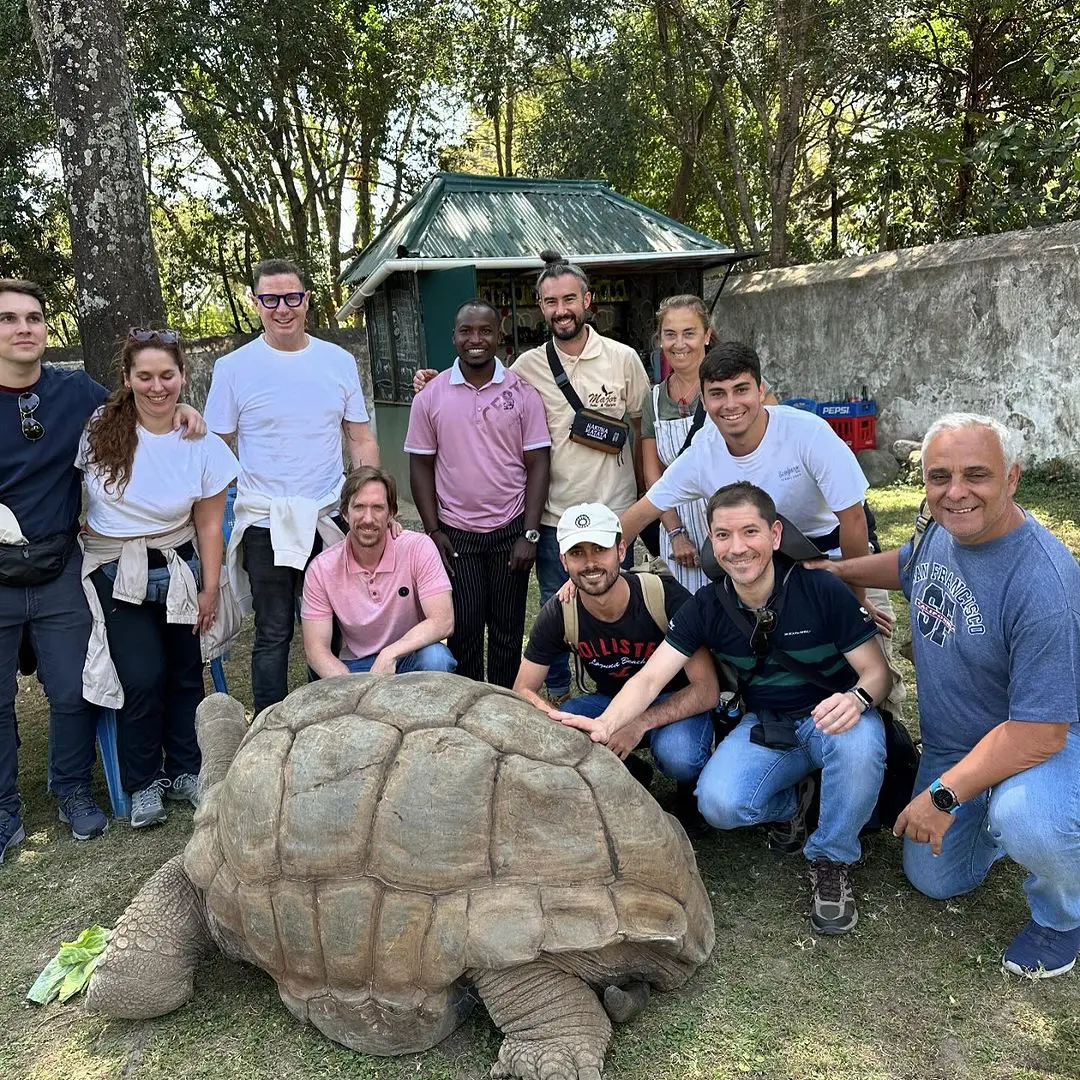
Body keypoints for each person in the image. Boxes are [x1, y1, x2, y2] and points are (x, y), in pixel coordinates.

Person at [821, 413, 1080, 976]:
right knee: (936, 879)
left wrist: (942, 797)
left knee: (1032, 818)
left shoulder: (1044, 584)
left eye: (977, 475)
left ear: (1011, 479)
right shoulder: (943, 526)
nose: (956, 491)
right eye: (940, 476)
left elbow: (1041, 733)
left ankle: (1062, 915)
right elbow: (910, 567)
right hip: (957, 741)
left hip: (1045, 738)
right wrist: (832, 573)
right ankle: (997, 810)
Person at [570, 483, 890, 935]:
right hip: (767, 725)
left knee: (859, 746)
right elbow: (649, 678)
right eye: (723, 535)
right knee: (718, 805)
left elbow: (877, 673)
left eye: (750, 532)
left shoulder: (820, 589)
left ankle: (830, 859)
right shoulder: (708, 604)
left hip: (834, 719)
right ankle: (793, 805)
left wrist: (856, 700)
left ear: (775, 535)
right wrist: (606, 725)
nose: (737, 548)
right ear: (710, 539)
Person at [0, 279, 205, 857]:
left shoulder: (72, 393)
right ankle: (3, 810)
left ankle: (70, 791)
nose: (23, 329)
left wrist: (182, 407)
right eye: (9, 319)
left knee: (72, 693)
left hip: (61, 563)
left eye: (33, 318)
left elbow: (138, 405)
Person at [415, 252, 651, 704]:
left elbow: (641, 432)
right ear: (540, 308)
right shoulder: (526, 368)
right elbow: (477, 381)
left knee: (620, 610)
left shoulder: (624, 360)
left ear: (587, 301)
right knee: (556, 611)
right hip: (552, 517)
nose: (560, 310)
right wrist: (432, 380)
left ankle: (622, 698)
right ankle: (560, 695)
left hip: (615, 513)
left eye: (569, 299)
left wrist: (643, 500)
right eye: (549, 302)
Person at [76, 330, 238, 828]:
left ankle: (186, 770)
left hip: (180, 566)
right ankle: (143, 781)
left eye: (167, 375)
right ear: (127, 379)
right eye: (144, 376)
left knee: (185, 671)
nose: (156, 386)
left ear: (182, 377)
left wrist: (211, 586)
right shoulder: (99, 430)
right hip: (116, 569)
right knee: (142, 678)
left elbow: (210, 522)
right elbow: (76, 493)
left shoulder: (201, 441)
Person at [203, 258, 379, 714]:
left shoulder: (337, 361)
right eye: (271, 299)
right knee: (274, 630)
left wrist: (372, 502)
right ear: (256, 304)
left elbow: (359, 438)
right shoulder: (233, 368)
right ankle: (269, 727)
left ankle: (326, 718)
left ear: (306, 299)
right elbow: (215, 448)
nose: (283, 309)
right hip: (265, 518)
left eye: (292, 298)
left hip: (326, 515)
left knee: (335, 625)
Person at [619, 341, 889, 626]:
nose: (731, 404)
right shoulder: (702, 453)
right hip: (765, 568)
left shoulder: (808, 433)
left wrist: (856, 599)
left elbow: (854, 520)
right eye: (717, 394)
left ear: (761, 391)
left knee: (871, 649)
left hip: (837, 550)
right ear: (704, 399)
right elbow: (640, 514)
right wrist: (592, 564)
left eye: (741, 389)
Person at [514, 503, 718, 829]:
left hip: (675, 700)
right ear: (563, 560)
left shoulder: (662, 596)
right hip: (610, 701)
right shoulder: (559, 612)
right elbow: (522, 689)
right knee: (559, 729)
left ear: (621, 550)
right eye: (577, 553)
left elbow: (707, 689)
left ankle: (689, 790)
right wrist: (556, 717)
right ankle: (630, 771)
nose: (591, 562)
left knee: (680, 755)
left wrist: (637, 724)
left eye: (600, 549)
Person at [405, 299, 550, 688]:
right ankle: (469, 714)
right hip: (456, 535)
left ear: (499, 338)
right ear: (453, 337)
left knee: (506, 632)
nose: (476, 339)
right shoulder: (430, 396)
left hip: (511, 530)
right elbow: (420, 464)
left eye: (485, 330)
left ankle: (502, 707)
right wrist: (434, 531)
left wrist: (529, 534)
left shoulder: (522, 393)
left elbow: (538, 463)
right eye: (466, 331)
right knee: (464, 631)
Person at [301, 466, 456, 676]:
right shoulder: (321, 569)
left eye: (377, 508)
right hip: (355, 666)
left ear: (391, 513)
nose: (368, 518)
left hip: (406, 655)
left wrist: (389, 654)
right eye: (359, 507)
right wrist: (356, 692)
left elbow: (443, 621)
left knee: (437, 658)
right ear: (345, 513)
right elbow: (316, 652)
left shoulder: (418, 548)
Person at [639, 295, 715, 593]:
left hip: (732, 527)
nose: (679, 343)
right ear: (660, 340)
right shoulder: (654, 400)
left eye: (689, 333)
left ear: (707, 335)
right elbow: (653, 476)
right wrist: (676, 533)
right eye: (670, 334)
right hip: (679, 533)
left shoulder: (732, 387)